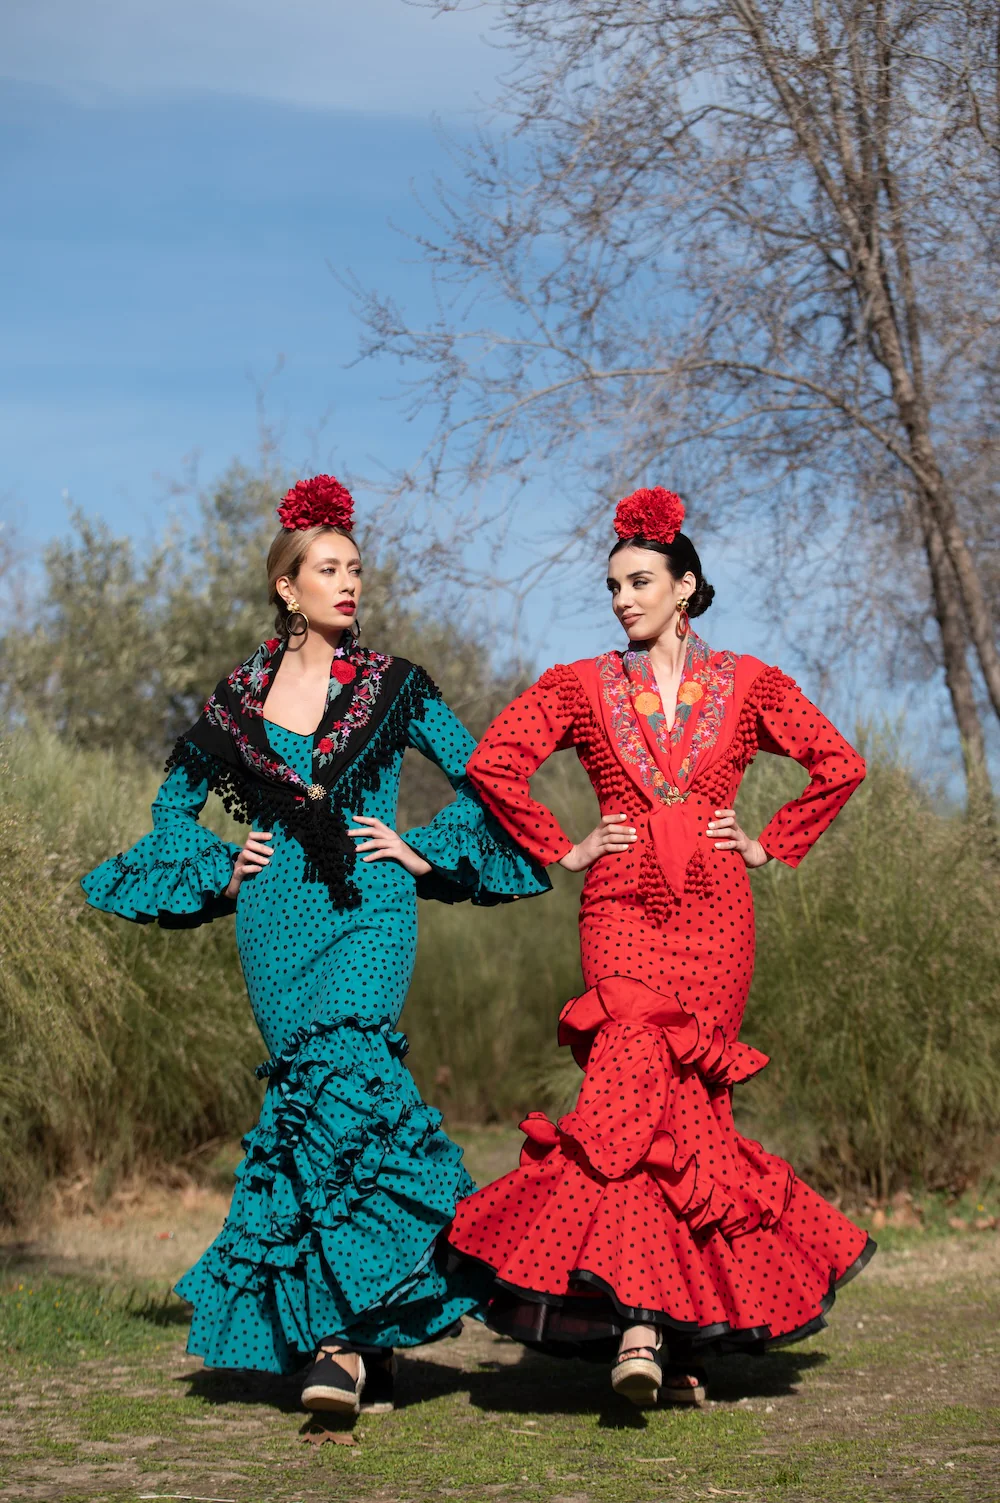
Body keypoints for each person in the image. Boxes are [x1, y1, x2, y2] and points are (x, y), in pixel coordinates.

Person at [81, 474, 549, 1418]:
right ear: (286, 587)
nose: (349, 584)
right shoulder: (237, 698)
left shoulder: (396, 684)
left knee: (353, 1079)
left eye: (356, 569)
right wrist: (221, 866)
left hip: (371, 906)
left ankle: (335, 1344)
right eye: (328, 569)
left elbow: (490, 773)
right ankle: (361, 1335)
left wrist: (421, 851)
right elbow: (172, 806)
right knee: (309, 1111)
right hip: (275, 917)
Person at [445, 486, 875, 1408]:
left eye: (639, 581)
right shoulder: (579, 684)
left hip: (717, 915)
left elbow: (840, 762)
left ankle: (679, 1341)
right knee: (628, 1089)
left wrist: (769, 840)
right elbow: (494, 760)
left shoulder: (752, 684)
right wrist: (564, 845)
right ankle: (638, 1324)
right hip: (619, 914)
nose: (622, 600)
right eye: (612, 586)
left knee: (692, 1118)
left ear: (686, 586)